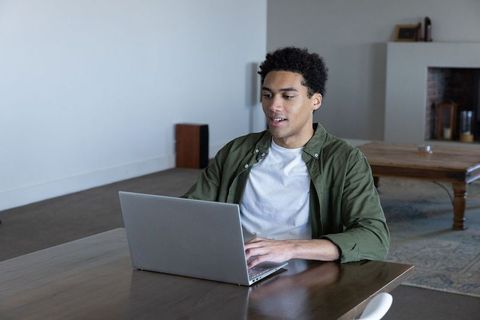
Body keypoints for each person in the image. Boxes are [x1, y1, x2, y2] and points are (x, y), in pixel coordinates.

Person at [184, 47, 389, 267]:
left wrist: (289, 248)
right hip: (238, 267)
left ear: (315, 101)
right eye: (267, 95)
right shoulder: (235, 151)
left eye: (288, 96)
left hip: (307, 274)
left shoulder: (345, 160)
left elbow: (374, 238)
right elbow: (190, 211)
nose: (274, 106)